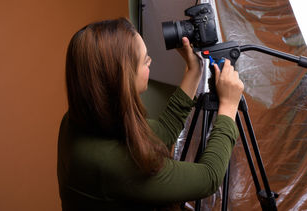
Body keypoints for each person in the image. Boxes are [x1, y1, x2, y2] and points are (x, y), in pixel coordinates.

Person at [57, 18, 244, 210]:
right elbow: (208, 177)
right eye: (145, 60)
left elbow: (163, 132)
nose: (150, 61)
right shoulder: (115, 164)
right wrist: (228, 107)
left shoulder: (79, 120)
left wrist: (193, 71)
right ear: (121, 79)